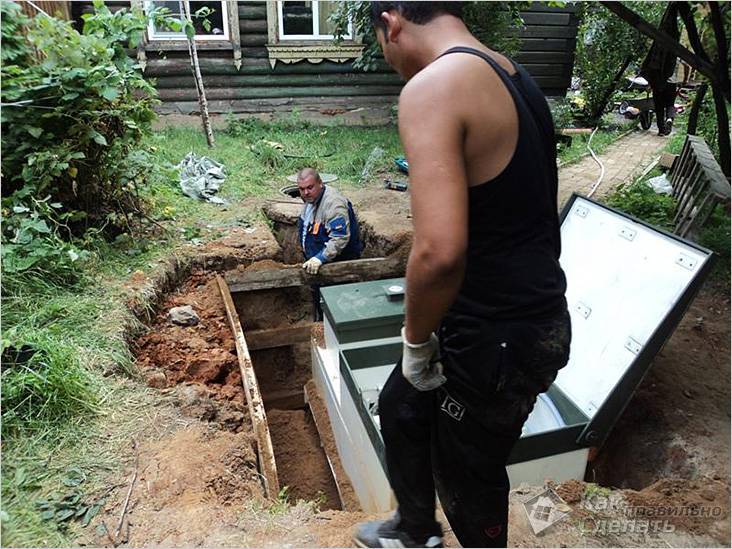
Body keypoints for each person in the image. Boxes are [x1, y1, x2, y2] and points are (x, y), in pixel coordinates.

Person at [353, 3, 571, 548]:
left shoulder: (435, 86)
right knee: (403, 404)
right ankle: (413, 529)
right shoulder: (512, 75)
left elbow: (438, 253)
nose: (388, 57)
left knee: (468, 478)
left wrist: (415, 340)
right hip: (516, 322)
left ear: (393, 19)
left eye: (379, 41)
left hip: (496, 337)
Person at [297, 168, 362, 274]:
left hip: (339, 267)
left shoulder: (334, 205)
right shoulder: (310, 200)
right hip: (315, 264)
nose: (306, 192)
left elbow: (340, 238)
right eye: (301, 189)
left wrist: (320, 258)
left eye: (310, 187)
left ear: (320, 183)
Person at [640, 3, 680, 136]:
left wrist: (650, 83)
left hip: (658, 79)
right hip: (672, 81)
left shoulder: (659, 47)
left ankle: (661, 129)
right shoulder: (674, 52)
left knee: (659, 106)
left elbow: (652, 65)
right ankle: (669, 118)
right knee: (670, 104)